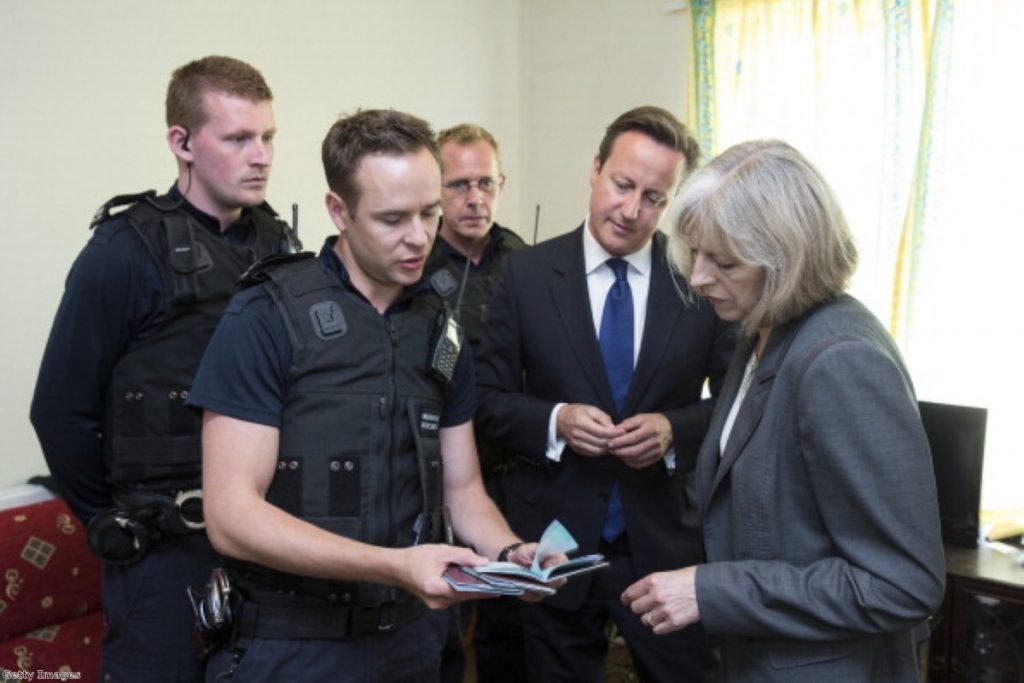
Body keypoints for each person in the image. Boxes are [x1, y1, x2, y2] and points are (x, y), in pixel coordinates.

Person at [188, 109, 548, 682]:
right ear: (340, 211)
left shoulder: (441, 328)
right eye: (392, 218)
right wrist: (395, 566)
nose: (420, 236)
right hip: (292, 647)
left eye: (430, 212)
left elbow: (463, 488)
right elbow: (231, 516)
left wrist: (510, 555)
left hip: (412, 644)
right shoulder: (266, 315)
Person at [621, 139, 946, 682]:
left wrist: (712, 590)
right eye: (696, 253)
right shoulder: (760, 331)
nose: (699, 277)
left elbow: (903, 584)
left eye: (724, 261)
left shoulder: (842, 359)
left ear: (786, 259)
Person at [29, 56, 290, 681]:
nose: (261, 156)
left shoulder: (277, 246)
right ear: (182, 143)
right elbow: (59, 411)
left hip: (262, 537)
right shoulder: (124, 251)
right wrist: (113, 523)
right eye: (237, 138)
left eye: (268, 137)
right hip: (162, 549)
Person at [475, 106, 735, 682]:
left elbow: (740, 404)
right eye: (622, 185)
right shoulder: (525, 276)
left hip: (665, 543)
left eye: (653, 197)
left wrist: (676, 430)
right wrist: (557, 420)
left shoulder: (698, 279)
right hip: (555, 544)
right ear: (594, 170)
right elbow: (487, 401)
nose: (632, 209)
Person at [422, 123, 528, 683]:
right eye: (458, 184)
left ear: (501, 183)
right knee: (439, 625)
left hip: (513, 465)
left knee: (508, 628)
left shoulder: (528, 263)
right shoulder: (413, 261)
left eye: (485, 183)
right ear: (436, 189)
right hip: (441, 469)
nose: (473, 198)